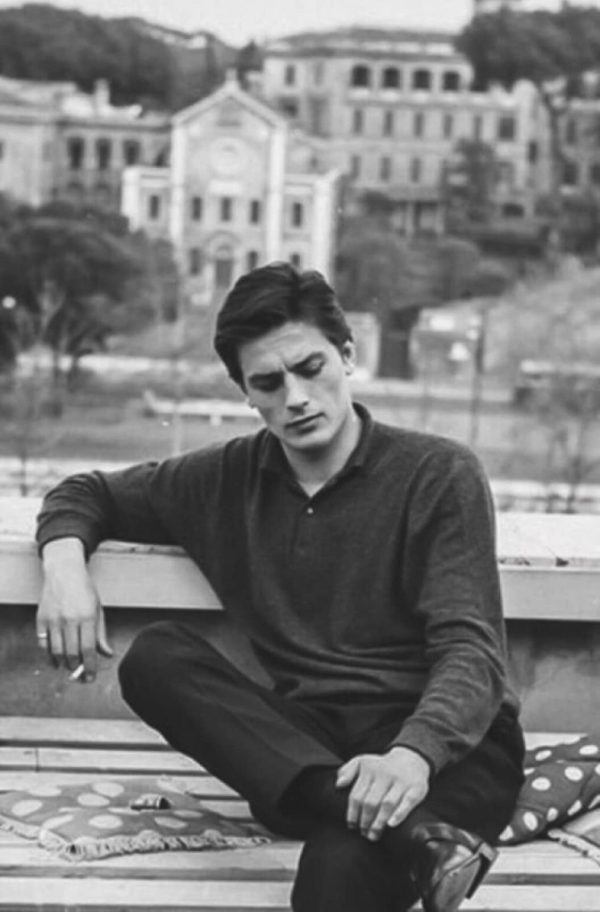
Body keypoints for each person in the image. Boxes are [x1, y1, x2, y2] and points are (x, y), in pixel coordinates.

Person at [36, 262, 524, 912]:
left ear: (347, 355)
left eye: (310, 368)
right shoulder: (224, 479)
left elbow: (472, 651)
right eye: (268, 382)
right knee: (156, 656)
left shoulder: (439, 473)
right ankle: (415, 836)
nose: (295, 397)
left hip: (446, 749)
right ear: (246, 392)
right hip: (309, 749)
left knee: (334, 872)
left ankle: (398, 821)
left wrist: (411, 756)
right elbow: (86, 493)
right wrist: (65, 567)